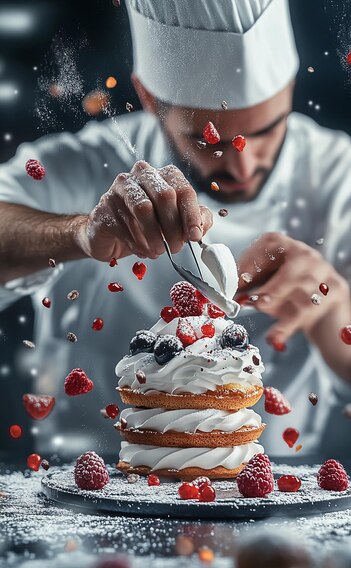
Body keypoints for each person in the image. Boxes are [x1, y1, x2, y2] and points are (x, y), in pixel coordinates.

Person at [0, 0, 350, 460]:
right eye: (209, 141)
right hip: (83, 496)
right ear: (148, 98)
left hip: (277, 508)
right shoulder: (88, 164)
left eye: (266, 130)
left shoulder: (339, 175)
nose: (243, 165)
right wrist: (79, 234)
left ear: (289, 87)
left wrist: (336, 315)